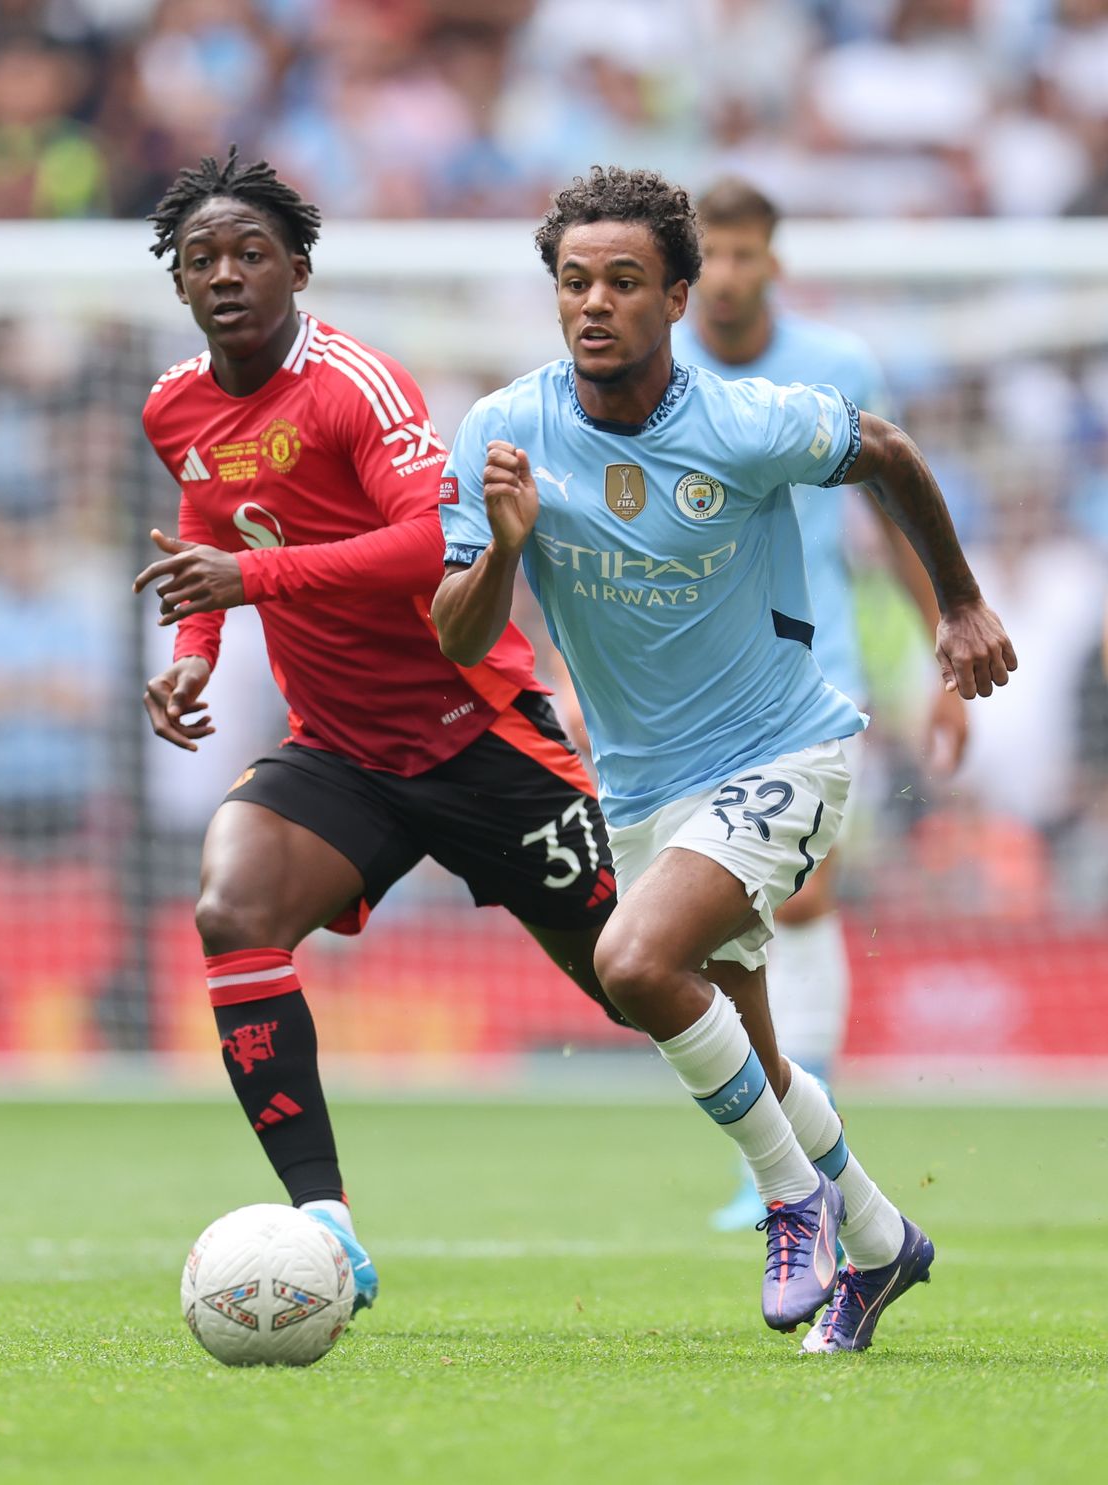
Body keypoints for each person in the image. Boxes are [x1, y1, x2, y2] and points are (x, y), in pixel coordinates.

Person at [432, 165, 1016, 1352]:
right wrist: (502, 548)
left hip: (786, 748)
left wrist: (957, 605)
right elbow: (459, 634)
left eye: (626, 281)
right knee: (751, 1047)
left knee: (635, 965)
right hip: (645, 785)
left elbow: (890, 452)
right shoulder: (502, 431)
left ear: (678, 295)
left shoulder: (746, 422)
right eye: (574, 281)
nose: (595, 303)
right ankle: (881, 1241)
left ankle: (789, 1199)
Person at [134, 148, 623, 1314]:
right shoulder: (173, 405)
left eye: (252, 253)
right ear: (181, 285)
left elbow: (431, 541)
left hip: (477, 729)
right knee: (231, 910)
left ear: (298, 268)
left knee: (638, 979)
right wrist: (189, 658)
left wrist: (253, 582)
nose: (227, 274)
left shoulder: (355, 384)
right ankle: (324, 1228)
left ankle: (806, 1163)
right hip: (341, 746)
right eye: (202, 260)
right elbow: (210, 520)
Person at [673, 176, 968, 1231]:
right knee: (724, 926)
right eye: (713, 253)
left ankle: (801, 1147)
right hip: (690, 683)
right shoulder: (650, 370)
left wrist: (947, 635)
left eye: (748, 253)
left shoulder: (838, 367)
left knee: (797, 901)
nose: (731, 274)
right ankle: (786, 1146)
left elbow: (891, 513)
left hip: (815, 673)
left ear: (774, 262)